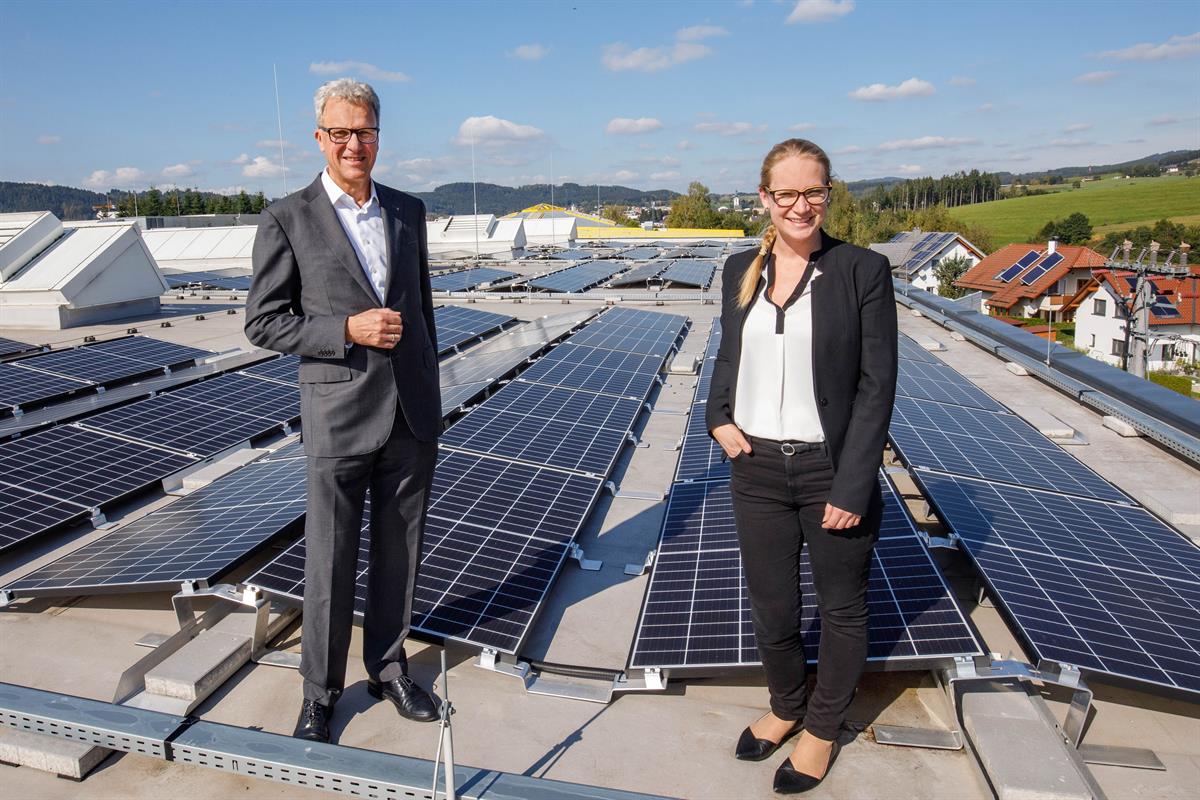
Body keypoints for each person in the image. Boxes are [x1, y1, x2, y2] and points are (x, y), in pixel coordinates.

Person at [245, 78, 442, 743]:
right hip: (337, 415)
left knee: (400, 554)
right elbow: (265, 323)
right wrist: (345, 330)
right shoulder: (286, 217)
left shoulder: (409, 211)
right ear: (319, 138)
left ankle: (389, 671)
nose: (353, 144)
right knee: (328, 561)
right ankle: (320, 692)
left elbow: (422, 313)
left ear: (379, 135)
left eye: (365, 132)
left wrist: (431, 398)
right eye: (340, 133)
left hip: (410, 416)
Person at [706, 139, 897, 794]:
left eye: (813, 191)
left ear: (828, 194)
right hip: (755, 468)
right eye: (785, 193)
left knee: (841, 608)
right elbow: (729, 355)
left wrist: (853, 481)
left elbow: (876, 387)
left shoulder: (861, 271)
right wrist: (718, 416)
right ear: (764, 198)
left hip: (829, 469)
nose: (800, 205)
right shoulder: (740, 268)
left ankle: (821, 727)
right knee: (773, 608)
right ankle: (785, 705)